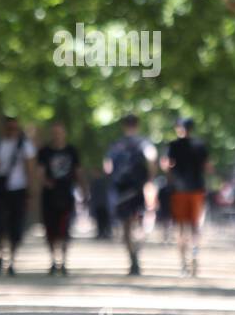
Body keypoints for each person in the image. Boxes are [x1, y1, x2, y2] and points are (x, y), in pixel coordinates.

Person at [104, 114, 156, 275]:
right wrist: (150, 179)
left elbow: (107, 167)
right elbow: (152, 158)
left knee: (126, 225)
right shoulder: (143, 143)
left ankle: (131, 258)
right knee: (139, 223)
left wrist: (112, 179)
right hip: (137, 188)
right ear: (137, 125)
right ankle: (137, 253)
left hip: (121, 189)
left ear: (123, 126)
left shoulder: (116, 144)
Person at [0, 115, 36, 275]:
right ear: (4, 129)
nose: (12, 131)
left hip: (19, 190)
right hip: (0, 188)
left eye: (15, 128)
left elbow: (29, 169)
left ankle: (12, 260)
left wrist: (29, 191)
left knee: (16, 225)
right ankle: (0, 256)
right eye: (9, 128)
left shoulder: (25, 145)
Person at [164, 117, 213, 276]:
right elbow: (208, 167)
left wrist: (170, 182)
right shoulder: (200, 145)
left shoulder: (173, 145)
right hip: (197, 190)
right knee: (195, 227)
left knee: (181, 227)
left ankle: (183, 264)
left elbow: (168, 166)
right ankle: (195, 255)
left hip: (179, 191)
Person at [37, 122, 85, 275]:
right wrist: (45, 182)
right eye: (54, 132)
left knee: (65, 228)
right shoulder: (44, 151)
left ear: (64, 134)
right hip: (49, 195)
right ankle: (52, 259)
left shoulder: (72, 151)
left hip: (67, 193)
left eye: (59, 132)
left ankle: (63, 260)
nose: (57, 135)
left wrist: (83, 189)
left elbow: (78, 171)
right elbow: (39, 171)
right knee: (50, 228)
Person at [89, 168, 113, 239]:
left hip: (102, 203)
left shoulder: (102, 181)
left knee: (104, 218)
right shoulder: (95, 182)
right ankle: (101, 232)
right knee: (99, 219)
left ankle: (105, 232)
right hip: (98, 203)